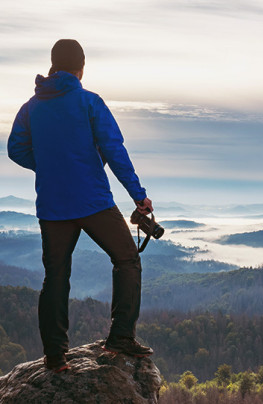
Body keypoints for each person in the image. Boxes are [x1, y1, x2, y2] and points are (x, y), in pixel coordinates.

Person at [7, 39, 154, 373]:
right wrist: (137, 194)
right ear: (80, 67)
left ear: (53, 65)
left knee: (55, 277)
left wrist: (49, 166)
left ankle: (56, 356)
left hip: (53, 206)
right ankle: (120, 337)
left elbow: (15, 149)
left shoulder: (32, 107)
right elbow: (114, 149)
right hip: (93, 201)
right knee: (127, 259)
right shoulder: (89, 102)